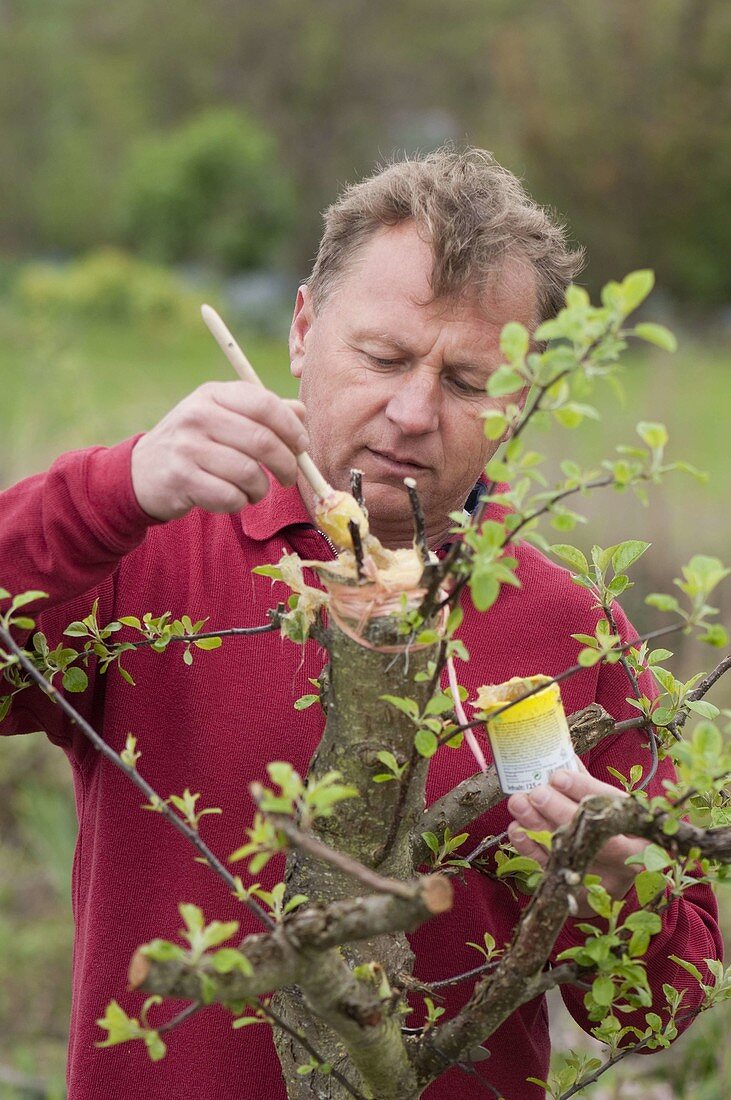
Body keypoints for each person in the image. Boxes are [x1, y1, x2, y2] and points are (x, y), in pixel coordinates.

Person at [0, 148, 721, 1099]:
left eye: (467, 383)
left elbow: (655, 1008)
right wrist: (109, 492)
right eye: (381, 358)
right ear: (302, 328)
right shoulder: (149, 553)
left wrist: (614, 888)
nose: (413, 411)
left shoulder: (569, 631)